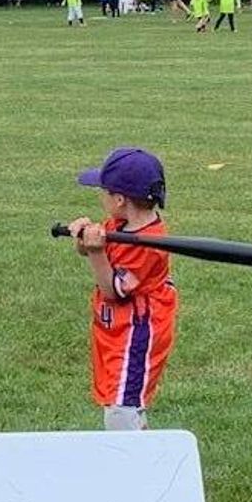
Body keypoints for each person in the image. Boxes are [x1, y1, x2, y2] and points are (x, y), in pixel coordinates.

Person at [66, 147, 178, 431]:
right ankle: (145, 451)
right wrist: (84, 239)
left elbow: (113, 290)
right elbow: (97, 249)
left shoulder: (149, 243)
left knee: (121, 408)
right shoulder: (120, 224)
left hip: (137, 332)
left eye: (103, 191)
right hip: (116, 330)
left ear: (119, 200)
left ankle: (134, 457)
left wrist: (95, 252)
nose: (100, 196)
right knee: (121, 402)